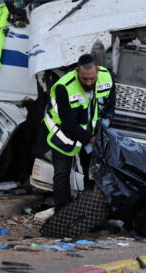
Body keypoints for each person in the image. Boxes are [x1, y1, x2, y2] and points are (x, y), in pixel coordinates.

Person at [43, 53, 116, 209]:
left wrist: (108, 120)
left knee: (92, 173)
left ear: (97, 71)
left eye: (92, 78)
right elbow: (68, 123)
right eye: (84, 79)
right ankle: (61, 214)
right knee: (62, 174)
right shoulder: (64, 86)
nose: (89, 83)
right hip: (63, 133)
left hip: (90, 132)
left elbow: (111, 105)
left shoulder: (107, 77)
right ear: (77, 71)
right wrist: (91, 139)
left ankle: (89, 210)